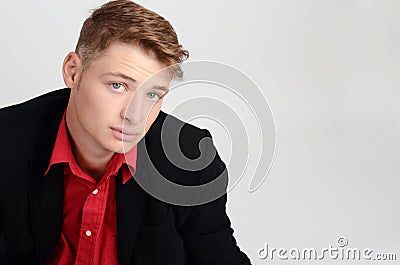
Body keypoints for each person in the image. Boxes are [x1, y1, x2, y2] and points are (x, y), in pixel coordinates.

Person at [0, 0, 251, 264]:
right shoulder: (7, 143)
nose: (135, 115)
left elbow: (219, 257)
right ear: (73, 72)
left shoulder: (192, 161)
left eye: (152, 94)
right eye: (118, 85)